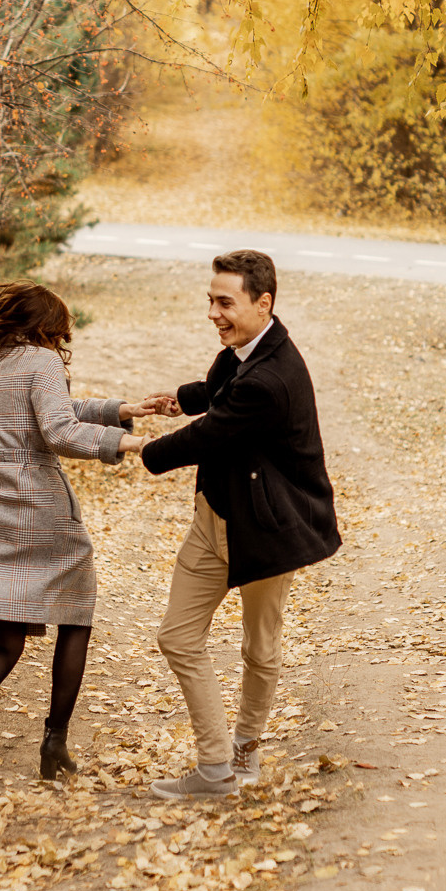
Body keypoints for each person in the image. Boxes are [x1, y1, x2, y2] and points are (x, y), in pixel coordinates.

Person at [0, 281, 165, 786]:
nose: (62, 341)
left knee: (4, 639)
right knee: (75, 614)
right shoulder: (41, 363)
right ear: (45, 326)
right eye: (60, 331)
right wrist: (130, 443)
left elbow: (53, 410)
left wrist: (123, 409)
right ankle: (54, 742)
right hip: (35, 501)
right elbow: (58, 432)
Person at [137, 250, 341, 799]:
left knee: (259, 646)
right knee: (177, 637)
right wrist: (177, 401)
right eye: (211, 300)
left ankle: (240, 752)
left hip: (266, 531)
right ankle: (215, 766)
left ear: (262, 302)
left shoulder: (271, 378)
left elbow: (215, 430)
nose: (213, 312)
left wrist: (142, 449)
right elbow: (218, 391)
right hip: (215, 520)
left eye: (225, 302)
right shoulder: (242, 351)